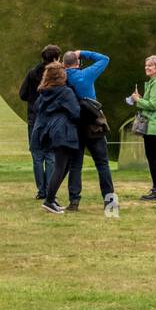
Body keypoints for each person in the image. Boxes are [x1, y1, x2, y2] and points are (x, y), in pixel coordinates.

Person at [63, 49, 118, 216]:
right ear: (77, 63)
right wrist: (83, 52)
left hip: (73, 126)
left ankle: (74, 201)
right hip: (93, 124)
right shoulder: (85, 75)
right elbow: (104, 58)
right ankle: (110, 204)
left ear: (64, 64)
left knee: (75, 165)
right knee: (102, 164)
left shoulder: (61, 78)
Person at [31, 61, 82, 215]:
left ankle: (51, 199)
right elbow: (76, 113)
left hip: (50, 131)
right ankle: (49, 200)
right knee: (61, 166)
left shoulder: (44, 92)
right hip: (63, 131)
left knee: (64, 166)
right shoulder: (65, 92)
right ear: (61, 76)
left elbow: (37, 108)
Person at [19, 44, 62, 198]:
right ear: (56, 58)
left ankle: (41, 190)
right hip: (51, 118)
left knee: (37, 156)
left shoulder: (32, 73)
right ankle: (50, 190)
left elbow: (23, 94)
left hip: (34, 118)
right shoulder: (58, 75)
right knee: (50, 156)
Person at [130, 55, 156, 200]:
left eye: (151, 65)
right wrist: (141, 99)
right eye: (146, 65)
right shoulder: (154, 82)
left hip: (155, 125)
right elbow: (152, 102)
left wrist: (138, 100)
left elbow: (153, 105)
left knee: (153, 158)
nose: (147, 67)